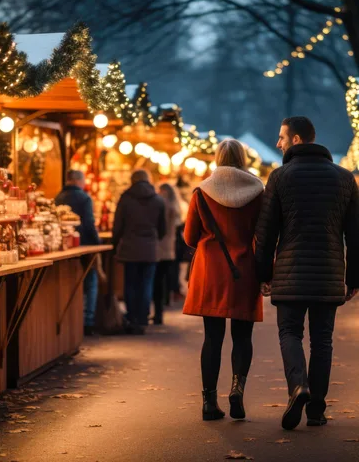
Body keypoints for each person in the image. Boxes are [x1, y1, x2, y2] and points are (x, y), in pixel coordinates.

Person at [255, 116, 359, 431]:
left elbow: (266, 231)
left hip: (289, 271)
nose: (278, 143)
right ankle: (316, 410)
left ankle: (298, 386)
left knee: (290, 333)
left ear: (297, 140)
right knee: (323, 340)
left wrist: (263, 273)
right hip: (328, 273)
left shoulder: (280, 177)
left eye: (282, 137)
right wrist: (353, 278)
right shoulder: (344, 179)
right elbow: (355, 234)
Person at [183, 139, 264, 421]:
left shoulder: (202, 192)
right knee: (242, 336)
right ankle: (237, 389)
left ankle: (208, 402)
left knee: (212, 338)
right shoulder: (258, 191)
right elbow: (263, 236)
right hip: (244, 270)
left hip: (211, 272)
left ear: (217, 157)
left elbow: (189, 237)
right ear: (243, 159)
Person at [112, 169, 166, 335]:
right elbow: (162, 228)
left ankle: (132, 317)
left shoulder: (125, 198)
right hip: (149, 249)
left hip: (129, 247)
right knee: (146, 284)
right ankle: (143, 318)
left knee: (130, 284)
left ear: (132, 180)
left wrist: (116, 243)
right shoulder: (158, 200)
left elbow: (118, 225)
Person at [55, 170, 106, 336]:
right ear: (78, 181)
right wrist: (97, 243)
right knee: (91, 280)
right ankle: (88, 320)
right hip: (84, 245)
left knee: (70, 282)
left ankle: (76, 320)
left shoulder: (58, 197)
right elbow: (90, 224)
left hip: (62, 246)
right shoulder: (84, 198)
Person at [152, 183, 181, 325]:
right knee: (164, 277)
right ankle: (164, 305)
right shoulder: (175, 207)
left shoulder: (162, 205)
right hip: (170, 247)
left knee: (157, 281)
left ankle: (158, 312)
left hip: (159, 247)